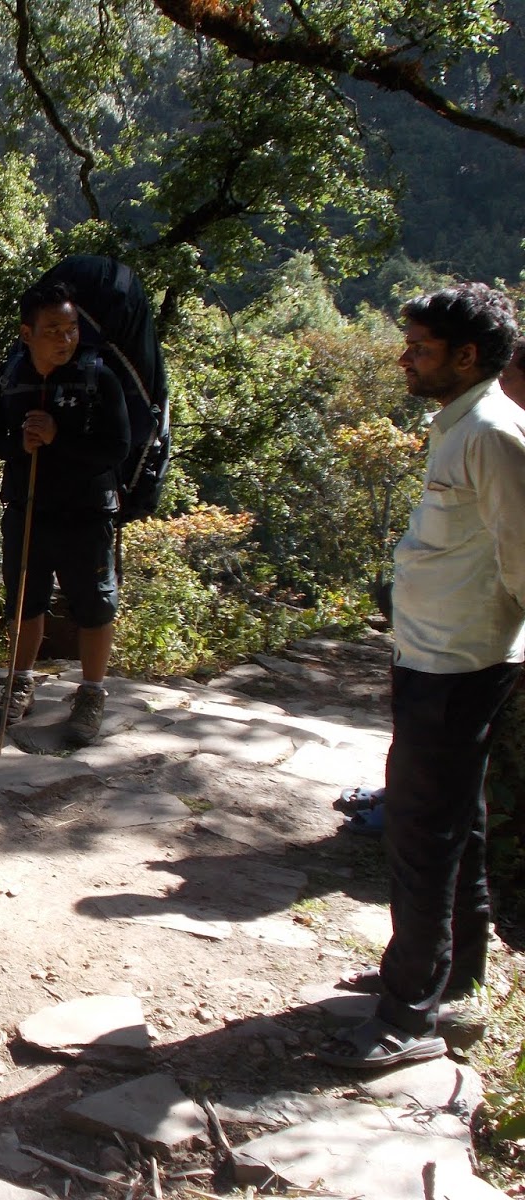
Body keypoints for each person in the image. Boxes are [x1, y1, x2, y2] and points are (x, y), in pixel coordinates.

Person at [319, 284, 525, 1069]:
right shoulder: (462, 426)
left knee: (420, 831)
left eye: (421, 347)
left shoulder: (492, 435)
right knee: (454, 822)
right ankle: (452, 975)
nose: (404, 358)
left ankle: (407, 1013)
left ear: (467, 356)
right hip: (435, 653)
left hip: (460, 662)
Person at [0, 280, 131, 745]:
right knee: (25, 598)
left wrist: (58, 439)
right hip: (29, 505)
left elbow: (118, 447)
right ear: (27, 333)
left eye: (71, 329)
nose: (65, 339)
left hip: (88, 509)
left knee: (93, 602)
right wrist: (19, 446)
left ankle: (91, 694)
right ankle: (20, 681)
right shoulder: (6, 378)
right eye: (53, 330)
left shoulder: (98, 377)